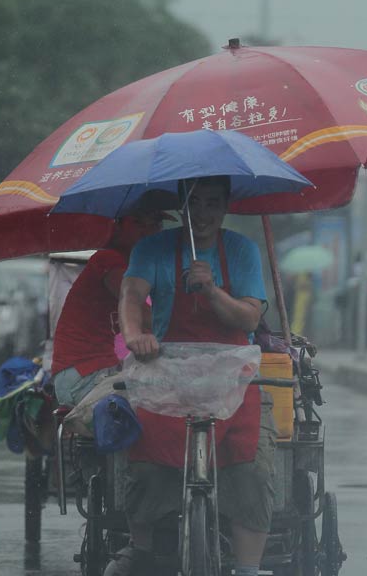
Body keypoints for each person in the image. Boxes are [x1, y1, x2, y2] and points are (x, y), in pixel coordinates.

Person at [111, 176, 276, 576]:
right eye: (194, 203)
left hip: (232, 374)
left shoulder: (241, 250)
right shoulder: (152, 249)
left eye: (212, 203)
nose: (202, 213)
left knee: (251, 466)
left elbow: (251, 316)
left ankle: (249, 567)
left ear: (225, 207)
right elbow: (131, 296)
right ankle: (144, 547)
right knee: (146, 457)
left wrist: (213, 291)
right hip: (169, 370)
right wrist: (135, 337)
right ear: (181, 206)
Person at [50, 202, 170, 407]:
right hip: (82, 374)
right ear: (117, 226)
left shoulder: (137, 266)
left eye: (156, 224)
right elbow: (140, 309)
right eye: (139, 223)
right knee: (159, 410)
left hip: (97, 369)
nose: (149, 232)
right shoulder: (109, 260)